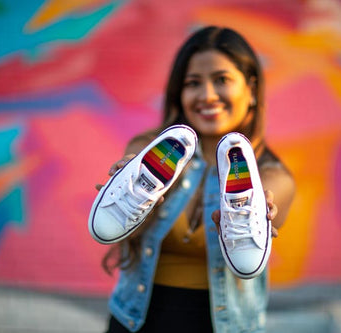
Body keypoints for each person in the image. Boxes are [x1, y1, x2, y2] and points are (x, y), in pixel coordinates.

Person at [96, 26, 296, 333]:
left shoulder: (275, 176)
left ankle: (245, 207)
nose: (207, 96)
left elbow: (274, 191)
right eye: (193, 83)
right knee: (141, 170)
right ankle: (134, 191)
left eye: (221, 80)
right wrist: (128, 181)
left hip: (221, 325)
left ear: (251, 89)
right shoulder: (146, 150)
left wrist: (263, 208)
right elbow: (123, 231)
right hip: (135, 319)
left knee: (264, 189)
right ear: (180, 93)